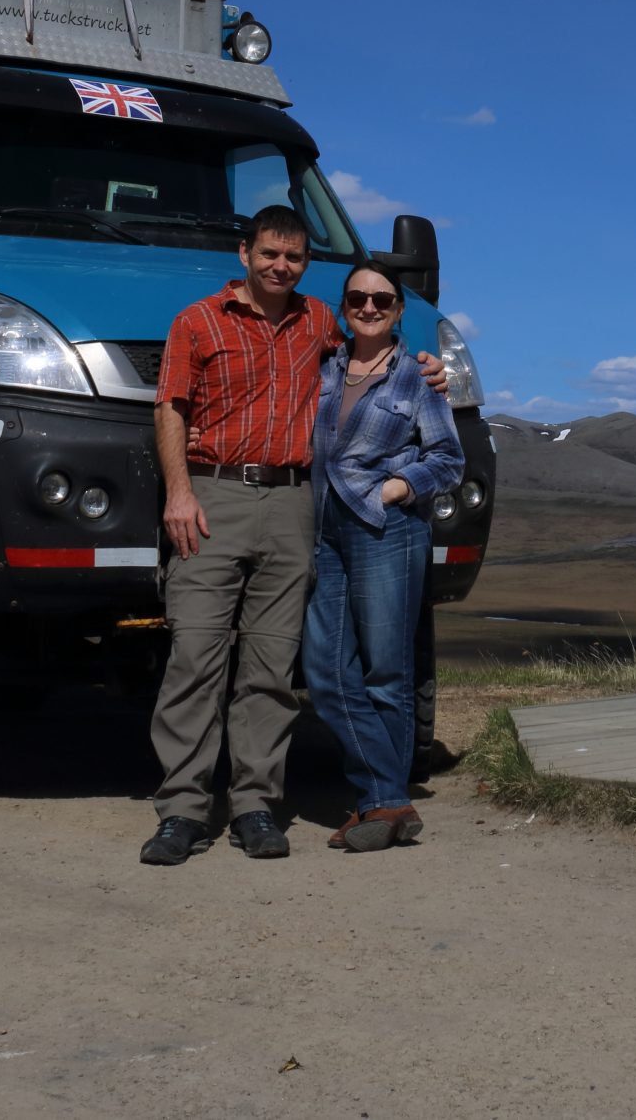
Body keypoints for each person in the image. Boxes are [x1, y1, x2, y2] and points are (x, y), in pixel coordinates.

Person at [139, 205, 442, 866]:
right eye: (270, 253)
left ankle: (254, 804)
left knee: (271, 666)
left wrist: (429, 368)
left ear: (305, 264)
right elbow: (171, 405)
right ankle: (183, 809)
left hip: (292, 499)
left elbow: (373, 347)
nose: (281, 265)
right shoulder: (197, 321)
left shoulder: (317, 321)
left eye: (294, 257)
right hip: (212, 492)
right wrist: (180, 492)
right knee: (195, 653)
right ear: (244, 252)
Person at [304, 262, 464, 853]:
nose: (368, 307)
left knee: (387, 672)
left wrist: (394, 490)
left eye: (382, 299)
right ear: (344, 305)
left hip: (388, 530)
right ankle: (389, 797)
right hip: (324, 530)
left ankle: (380, 803)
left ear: (399, 312)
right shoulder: (322, 369)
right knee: (325, 670)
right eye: (357, 297)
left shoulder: (419, 380)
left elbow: (448, 460)